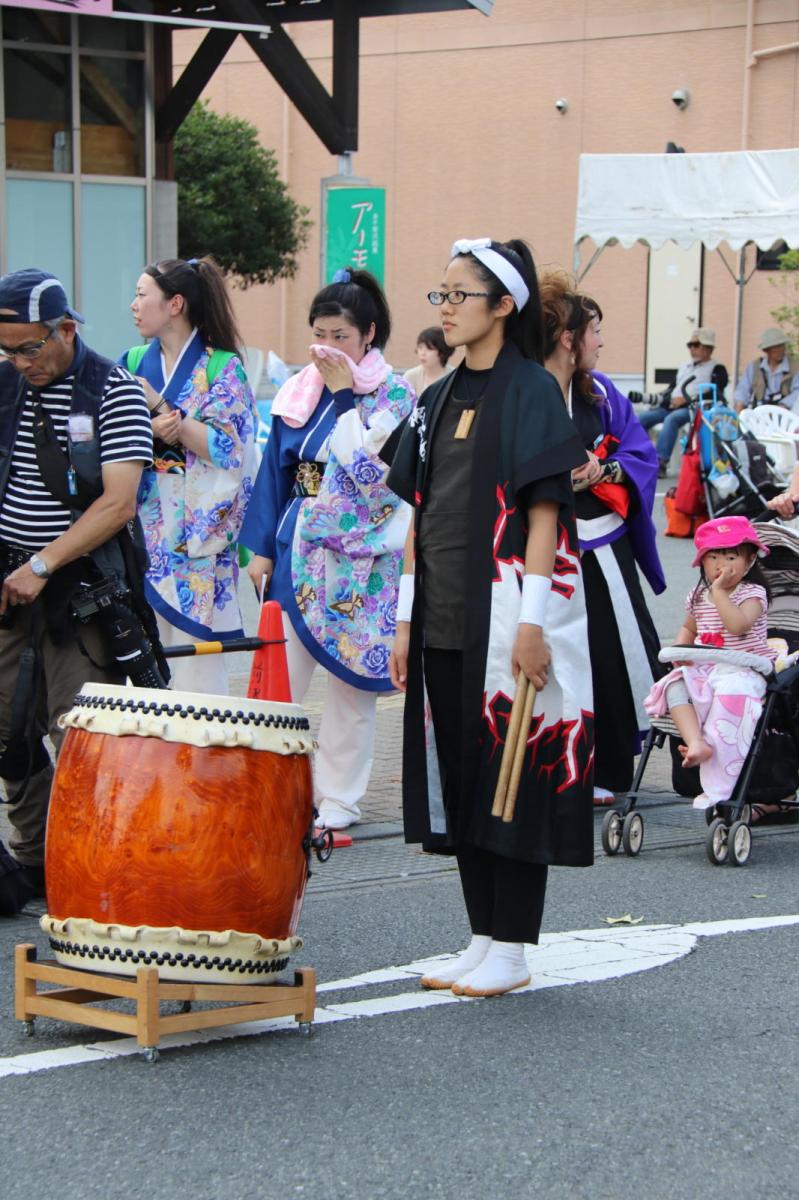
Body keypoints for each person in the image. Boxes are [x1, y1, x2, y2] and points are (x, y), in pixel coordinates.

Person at [387, 237, 593, 998]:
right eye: (439, 295)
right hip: (440, 618)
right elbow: (416, 512)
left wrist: (534, 625)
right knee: (463, 779)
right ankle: (481, 937)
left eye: (459, 295)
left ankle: (512, 946)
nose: (444, 308)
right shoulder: (434, 397)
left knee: (518, 775)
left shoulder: (530, 389)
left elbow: (545, 515)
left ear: (503, 305)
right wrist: (403, 620)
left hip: (507, 618)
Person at [0, 268, 153, 910]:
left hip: (80, 587)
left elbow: (118, 504)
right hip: (9, 583)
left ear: (66, 329)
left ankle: (90, 868)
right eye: (7, 351)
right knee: (9, 734)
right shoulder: (6, 383)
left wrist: (41, 566)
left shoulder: (113, 390)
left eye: (29, 348)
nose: (20, 362)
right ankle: (35, 858)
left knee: (81, 735)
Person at [239, 268, 413, 831]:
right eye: (319, 334)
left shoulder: (395, 394)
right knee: (279, 680)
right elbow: (275, 470)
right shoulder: (298, 389)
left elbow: (377, 478)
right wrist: (260, 547)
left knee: (351, 687)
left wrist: (343, 398)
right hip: (297, 548)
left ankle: (338, 797)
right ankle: (271, 787)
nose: (328, 347)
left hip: (363, 564)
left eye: (341, 335)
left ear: (369, 334)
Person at [539, 270, 665, 806]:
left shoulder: (603, 393)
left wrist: (604, 470)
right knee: (555, 656)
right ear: (569, 338)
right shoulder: (528, 392)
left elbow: (641, 454)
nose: (601, 342)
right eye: (594, 331)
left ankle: (608, 766)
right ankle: (554, 761)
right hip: (544, 542)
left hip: (604, 542)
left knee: (611, 654)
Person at [120, 256, 258, 695]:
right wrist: (150, 427)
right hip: (142, 532)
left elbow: (230, 448)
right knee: (143, 669)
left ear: (175, 304)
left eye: (142, 295)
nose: (134, 305)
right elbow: (112, 437)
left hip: (197, 540)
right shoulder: (133, 361)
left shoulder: (222, 367)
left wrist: (167, 414)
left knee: (198, 674)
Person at [643, 517, 775, 810]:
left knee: (731, 693)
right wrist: (681, 650)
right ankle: (696, 742)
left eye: (731, 557)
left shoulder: (752, 594)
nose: (721, 565)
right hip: (706, 668)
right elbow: (688, 628)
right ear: (702, 562)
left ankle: (722, 768)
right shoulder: (699, 596)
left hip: (743, 669)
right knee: (674, 685)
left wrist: (720, 593)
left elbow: (738, 626)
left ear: (749, 561)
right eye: (713, 557)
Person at [632, 328, 728, 477]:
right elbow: (672, 388)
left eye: (696, 345)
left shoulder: (717, 368)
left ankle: (660, 462)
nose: (692, 349)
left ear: (708, 348)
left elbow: (716, 392)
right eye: (690, 345)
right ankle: (638, 457)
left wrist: (685, 400)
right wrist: (657, 398)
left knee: (672, 419)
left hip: (694, 408)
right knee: (642, 418)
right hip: (671, 405)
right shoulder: (685, 366)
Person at [734, 327, 799, 412]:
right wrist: (739, 406)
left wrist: (783, 406)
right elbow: (743, 389)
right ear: (766, 350)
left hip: (787, 413)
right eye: (776, 347)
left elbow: (797, 392)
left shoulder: (795, 367)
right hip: (760, 411)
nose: (781, 350)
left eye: (782, 346)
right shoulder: (754, 367)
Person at [403, 325, 455, 397]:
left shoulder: (454, 377)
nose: (423, 353)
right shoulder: (410, 376)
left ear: (442, 352)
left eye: (429, 348)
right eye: (420, 347)